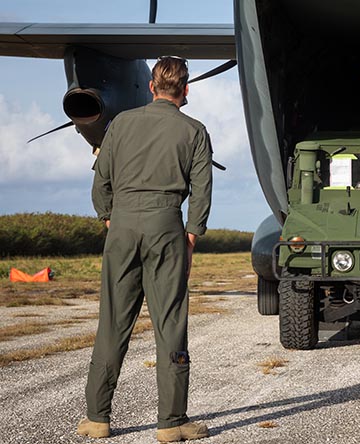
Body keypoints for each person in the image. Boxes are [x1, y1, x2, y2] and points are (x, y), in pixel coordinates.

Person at [76, 56, 213, 441]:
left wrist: (112, 220)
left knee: (113, 322)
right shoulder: (195, 131)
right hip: (166, 226)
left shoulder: (119, 124)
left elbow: (100, 184)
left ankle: (97, 418)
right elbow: (202, 194)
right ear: (185, 91)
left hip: (122, 225)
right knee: (170, 324)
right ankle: (172, 423)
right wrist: (190, 238)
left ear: (151, 87)